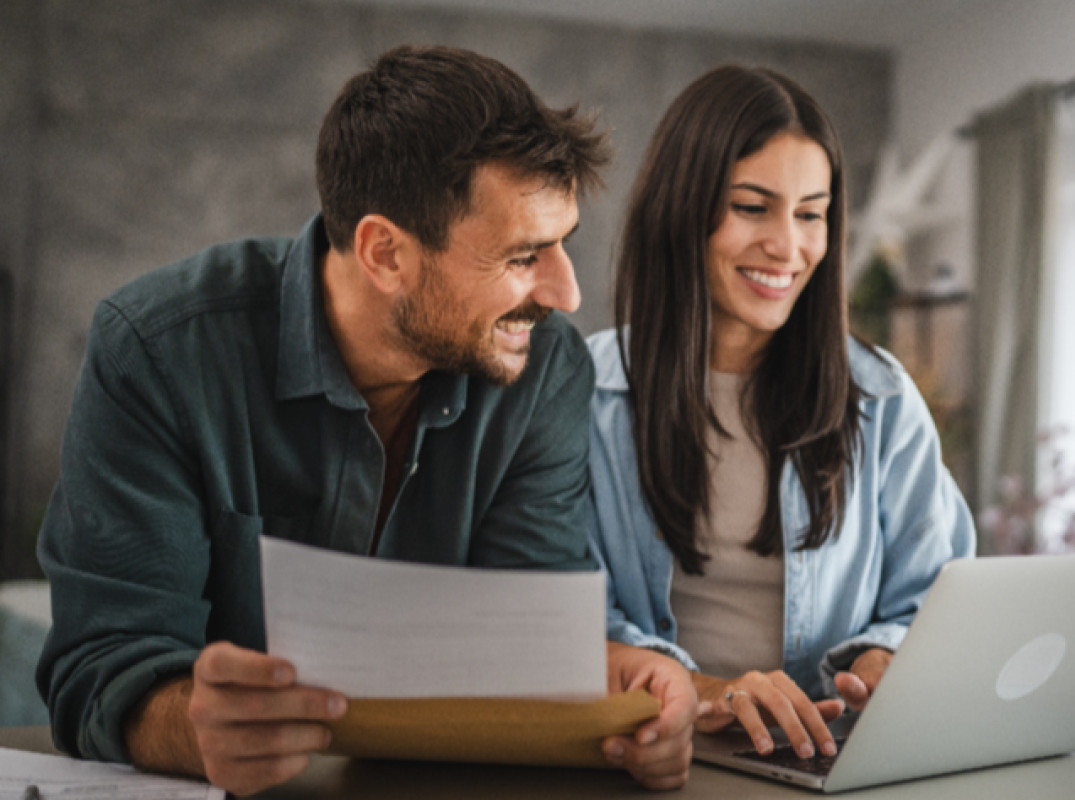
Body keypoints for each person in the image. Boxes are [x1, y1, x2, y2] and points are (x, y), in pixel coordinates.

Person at [34, 45, 696, 795]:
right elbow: (99, 668)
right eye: (523, 256)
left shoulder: (545, 373)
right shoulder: (157, 353)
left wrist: (630, 681)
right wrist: (193, 726)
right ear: (385, 252)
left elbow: (523, 641)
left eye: (563, 243)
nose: (565, 294)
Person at [586, 65, 976, 763]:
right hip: (662, 757)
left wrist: (887, 657)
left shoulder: (881, 402)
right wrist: (707, 690)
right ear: (684, 207)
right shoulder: (587, 399)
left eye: (810, 213)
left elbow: (936, 597)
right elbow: (569, 619)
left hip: (831, 761)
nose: (788, 246)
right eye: (752, 206)